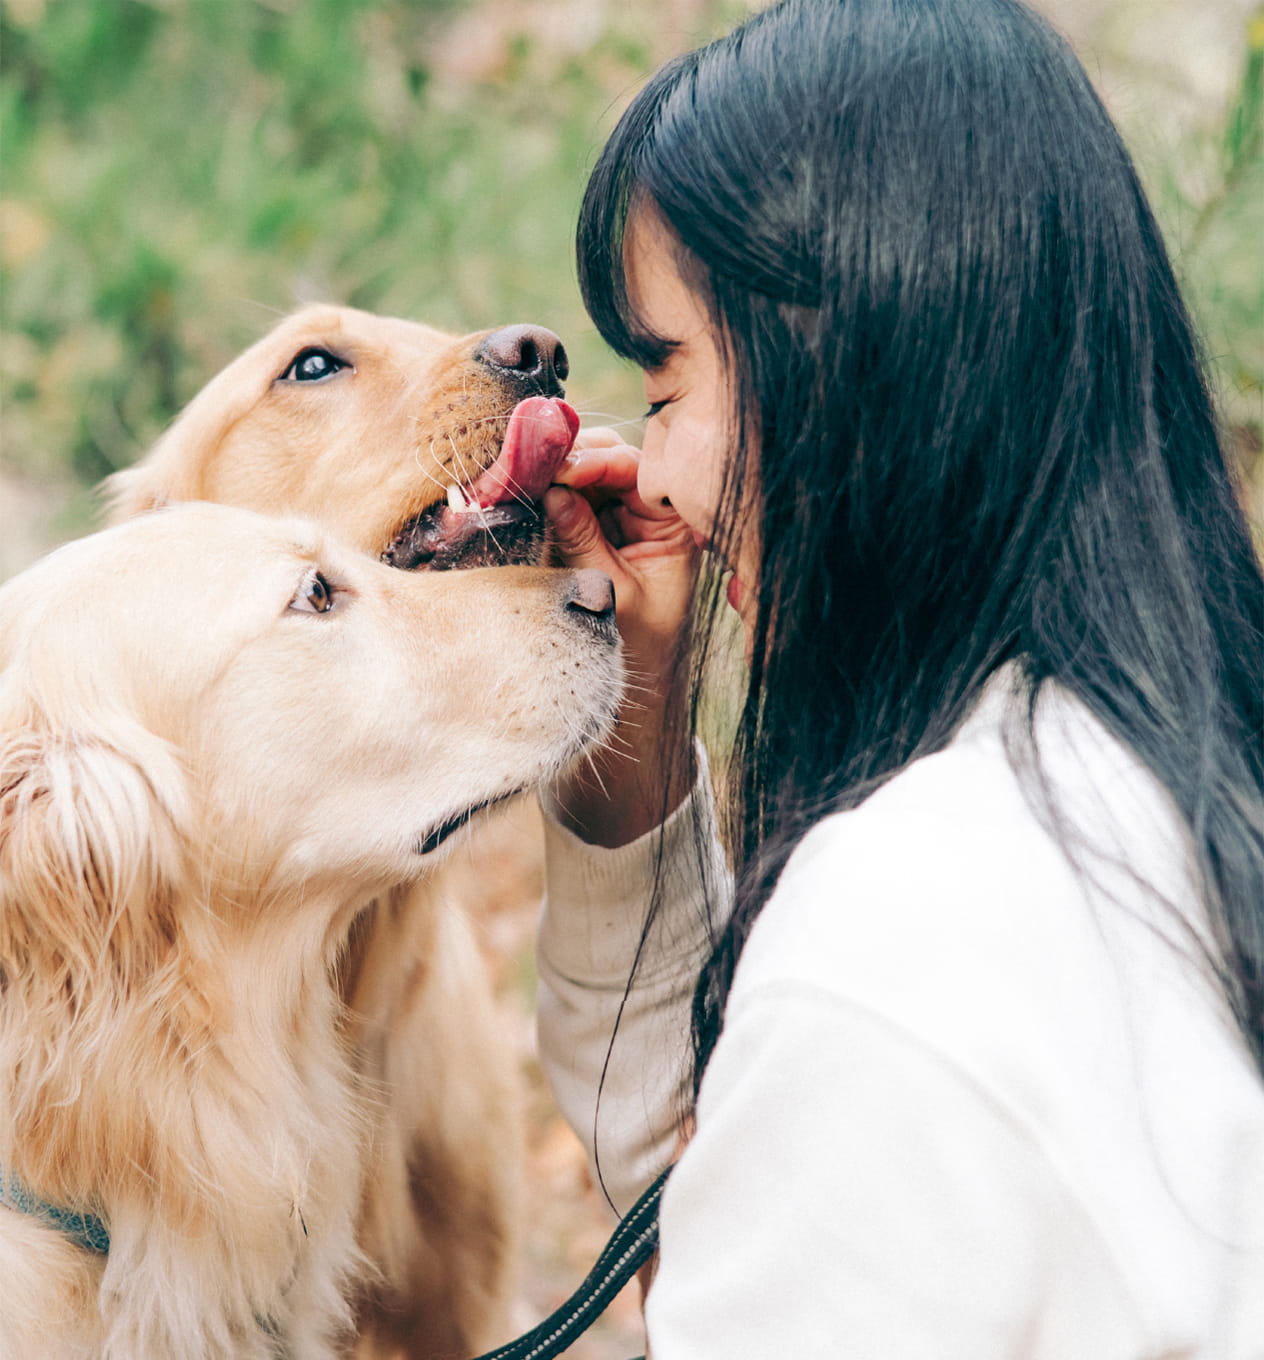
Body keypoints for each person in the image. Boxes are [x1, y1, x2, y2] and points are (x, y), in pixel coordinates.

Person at [535, 0, 1264, 1353]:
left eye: (674, 380)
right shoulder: (1152, 780)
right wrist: (633, 726)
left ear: (852, 347)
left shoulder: (913, 928)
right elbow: (742, 1216)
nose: (667, 479)